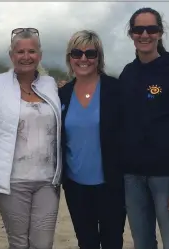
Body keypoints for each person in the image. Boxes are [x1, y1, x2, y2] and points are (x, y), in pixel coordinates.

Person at [119, 7, 169, 249]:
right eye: (138, 29)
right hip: (132, 178)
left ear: (160, 33)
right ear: (131, 34)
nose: (144, 34)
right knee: (142, 242)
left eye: (151, 29)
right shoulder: (127, 74)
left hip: (166, 177)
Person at [0, 28, 62, 249]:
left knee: (43, 243)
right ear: (11, 56)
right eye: (20, 52)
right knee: (19, 243)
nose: (26, 57)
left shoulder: (50, 85)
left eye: (32, 51)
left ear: (40, 55)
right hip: (11, 181)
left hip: (48, 180)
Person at [59, 30, 126, 249]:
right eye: (77, 53)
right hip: (76, 186)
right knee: (86, 243)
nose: (83, 59)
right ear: (70, 58)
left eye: (90, 53)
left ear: (99, 57)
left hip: (112, 185)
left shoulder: (116, 90)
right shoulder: (62, 94)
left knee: (112, 242)